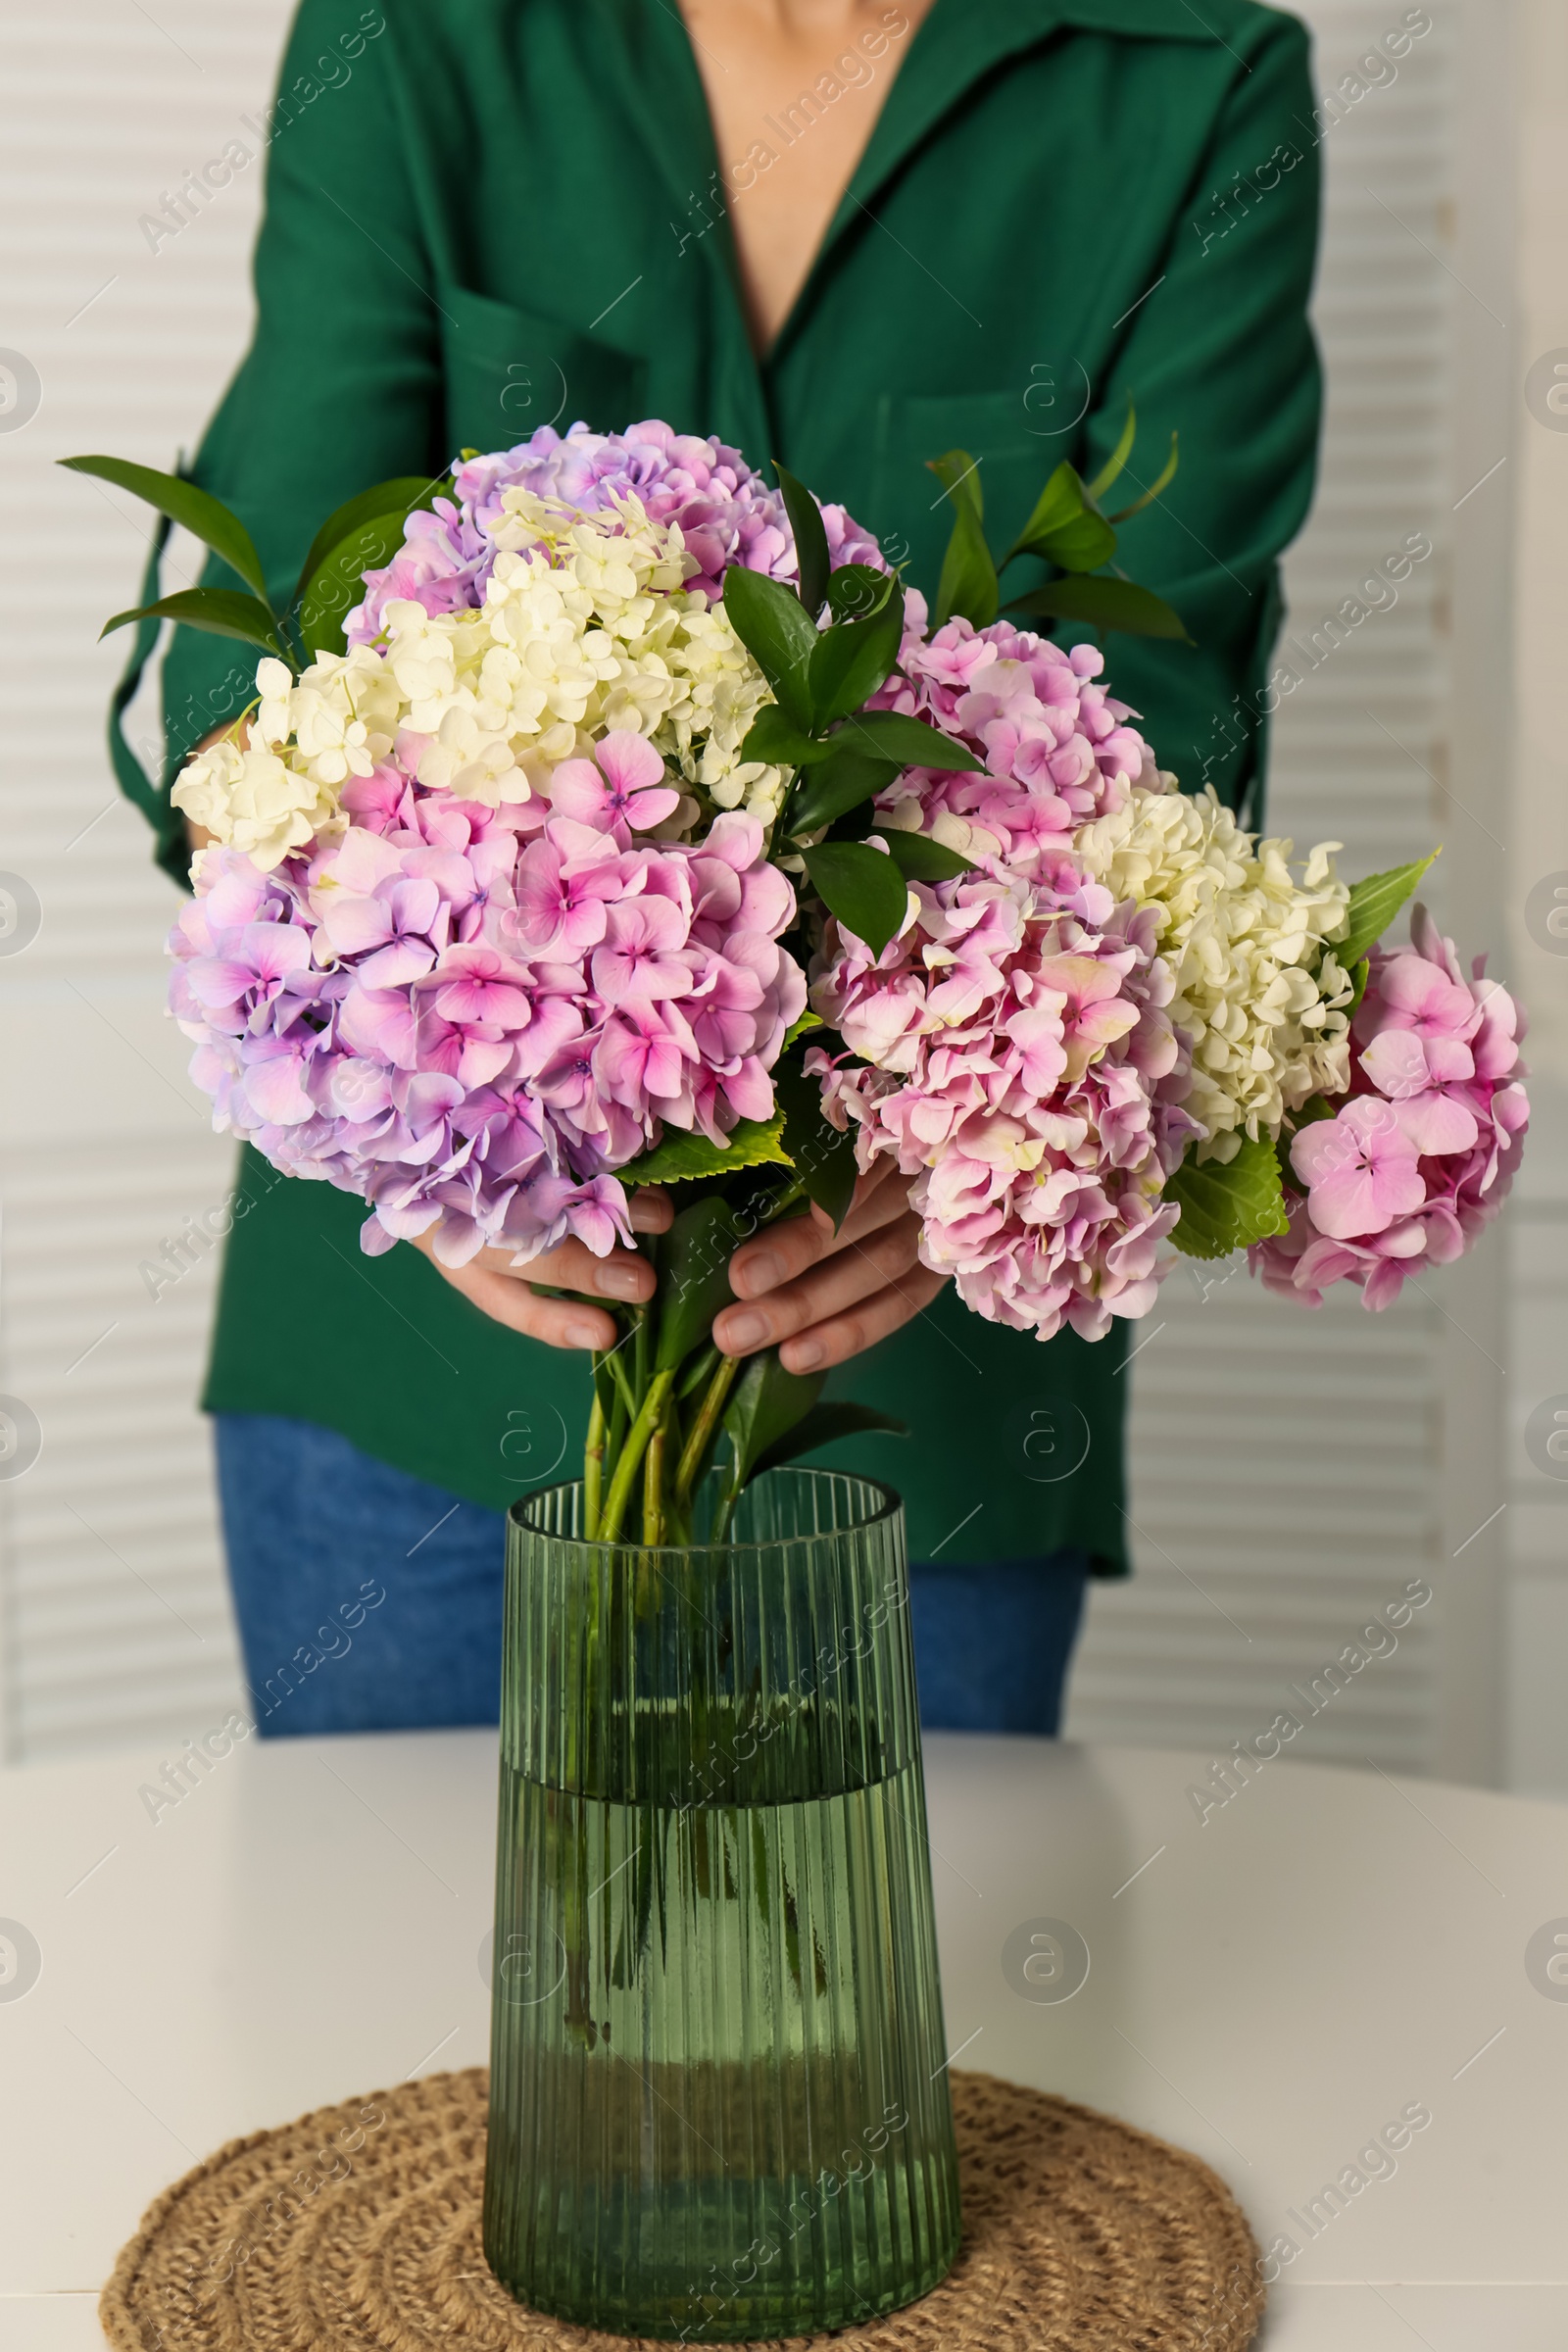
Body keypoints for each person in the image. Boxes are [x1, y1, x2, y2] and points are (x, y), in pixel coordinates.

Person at [115, 0, 1321, 1739]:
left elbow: (1170, 713)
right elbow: (254, 688)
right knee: (387, 1998)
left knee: (886, 2002)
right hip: (417, 1379)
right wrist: (418, 1097)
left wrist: (993, 1115)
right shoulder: (416, 37)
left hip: (908, 1388)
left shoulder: (1196, 85)